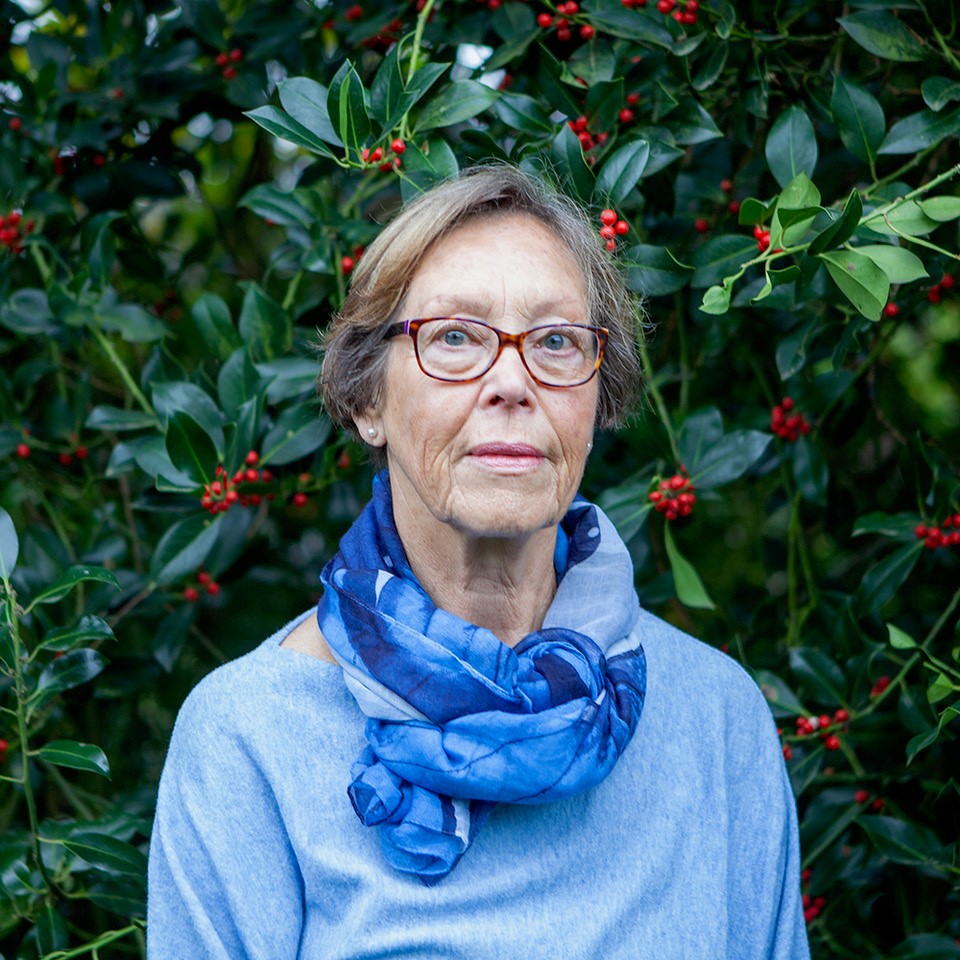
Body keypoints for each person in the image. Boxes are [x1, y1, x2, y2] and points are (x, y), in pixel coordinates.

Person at [147, 165, 810, 959]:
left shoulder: (718, 718)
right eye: (455, 338)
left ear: (598, 401)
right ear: (367, 401)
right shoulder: (247, 737)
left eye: (557, 342)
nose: (512, 383)